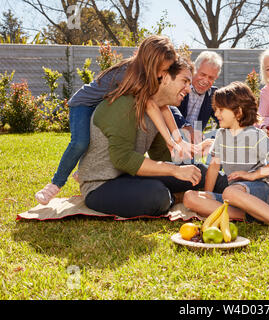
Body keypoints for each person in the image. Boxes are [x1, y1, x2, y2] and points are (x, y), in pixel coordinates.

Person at [34, 35, 193, 205]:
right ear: (152, 61)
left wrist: (176, 140)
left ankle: (85, 173)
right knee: (80, 142)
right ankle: (55, 183)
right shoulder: (131, 74)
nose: (163, 74)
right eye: (163, 69)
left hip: (103, 105)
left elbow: (162, 107)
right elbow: (152, 107)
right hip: (83, 104)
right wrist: (170, 140)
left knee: (96, 141)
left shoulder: (146, 75)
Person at [77, 56, 228, 218]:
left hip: (130, 175)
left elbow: (161, 156)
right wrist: (175, 170)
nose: (188, 88)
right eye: (184, 81)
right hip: (100, 185)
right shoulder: (124, 105)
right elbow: (122, 159)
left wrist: (194, 151)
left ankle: (242, 189)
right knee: (157, 196)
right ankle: (176, 196)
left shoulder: (158, 112)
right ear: (164, 77)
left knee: (199, 172)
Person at [183, 82, 269, 236]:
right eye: (215, 109)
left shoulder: (254, 135)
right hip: (233, 195)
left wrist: (253, 175)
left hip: (259, 189)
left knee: (229, 192)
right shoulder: (221, 135)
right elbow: (214, 167)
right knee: (189, 197)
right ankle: (252, 215)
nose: (216, 114)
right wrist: (208, 197)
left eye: (221, 110)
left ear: (238, 112)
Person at [148, 51, 223, 162]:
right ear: (194, 70)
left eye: (211, 78)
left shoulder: (213, 95)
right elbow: (165, 104)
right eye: (202, 74)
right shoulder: (178, 86)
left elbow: (224, 117)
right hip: (169, 145)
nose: (205, 80)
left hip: (194, 149)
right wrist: (186, 126)